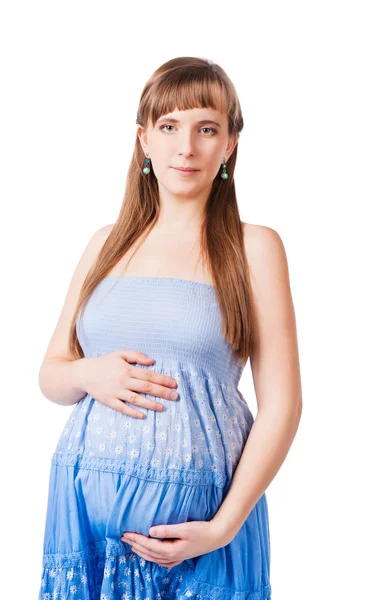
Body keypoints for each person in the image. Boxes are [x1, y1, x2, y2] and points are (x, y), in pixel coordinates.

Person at [37, 56, 302, 600]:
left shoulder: (255, 248)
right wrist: (89, 373)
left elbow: (283, 407)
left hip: (203, 537)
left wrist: (222, 528)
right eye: (169, 127)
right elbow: (51, 376)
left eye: (207, 129)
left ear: (229, 144)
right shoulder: (105, 244)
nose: (187, 147)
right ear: (144, 141)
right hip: (85, 519)